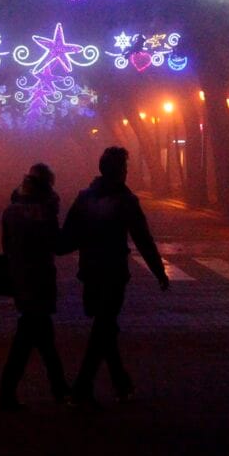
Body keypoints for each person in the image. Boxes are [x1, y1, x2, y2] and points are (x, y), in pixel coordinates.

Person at [62, 146, 168, 406]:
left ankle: (120, 383)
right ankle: (83, 387)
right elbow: (142, 239)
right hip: (113, 271)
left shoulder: (84, 198)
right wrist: (158, 271)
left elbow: (68, 236)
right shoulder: (126, 201)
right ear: (121, 172)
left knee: (104, 325)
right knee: (104, 326)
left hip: (89, 270)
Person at [0, 163, 70, 411]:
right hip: (40, 280)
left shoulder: (11, 212)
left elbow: (6, 247)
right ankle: (10, 393)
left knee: (39, 337)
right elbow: (58, 245)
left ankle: (60, 389)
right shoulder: (44, 213)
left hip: (20, 281)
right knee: (30, 339)